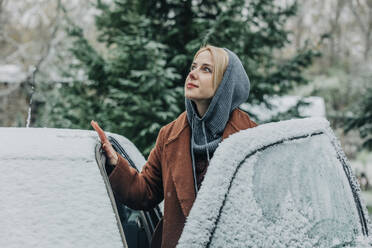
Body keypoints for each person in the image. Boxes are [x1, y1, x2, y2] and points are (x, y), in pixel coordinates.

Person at [91, 45, 257, 248]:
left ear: (226, 83)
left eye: (206, 69)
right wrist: (115, 163)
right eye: (193, 67)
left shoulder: (251, 137)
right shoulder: (170, 135)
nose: (193, 74)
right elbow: (145, 192)